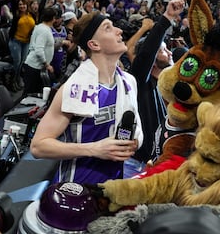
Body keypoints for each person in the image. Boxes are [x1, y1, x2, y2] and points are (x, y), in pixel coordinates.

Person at [30, 11, 143, 184]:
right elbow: (38, 146)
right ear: (94, 44)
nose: (119, 30)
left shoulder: (129, 82)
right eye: (108, 28)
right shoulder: (72, 89)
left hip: (113, 186)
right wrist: (94, 149)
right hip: (75, 187)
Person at [123, 0, 189, 177]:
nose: (169, 52)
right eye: (163, 49)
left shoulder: (166, 88)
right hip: (132, 164)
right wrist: (167, 18)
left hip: (155, 166)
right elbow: (145, 54)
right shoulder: (139, 81)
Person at [7, 0, 35, 91]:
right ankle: (12, 81)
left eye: (23, 4)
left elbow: (41, 7)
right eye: (20, 5)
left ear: (27, 5)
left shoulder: (31, 14)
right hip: (16, 41)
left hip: (26, 42)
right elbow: (13, 1)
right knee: (17, 62)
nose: (22, 6)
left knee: (22, 62)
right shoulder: (16, 14)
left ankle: (17, 79)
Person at [21, 7, 56, 95]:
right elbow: (39, 50)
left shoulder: (42, 27)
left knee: (33, 92)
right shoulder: (44, 30)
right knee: (29, 93)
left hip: (37, 67)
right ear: (52, 18)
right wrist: (47, 64)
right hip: (34, 66)